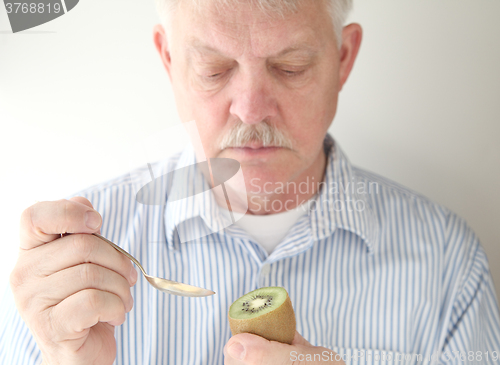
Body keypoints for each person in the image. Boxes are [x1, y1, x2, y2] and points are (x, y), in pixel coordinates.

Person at [1, 0, 500, 364]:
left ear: (343, 59)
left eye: (290, 67)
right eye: (215, 69)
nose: (251, 108)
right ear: (169, 60)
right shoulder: (73, 262)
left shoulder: (448, 264)